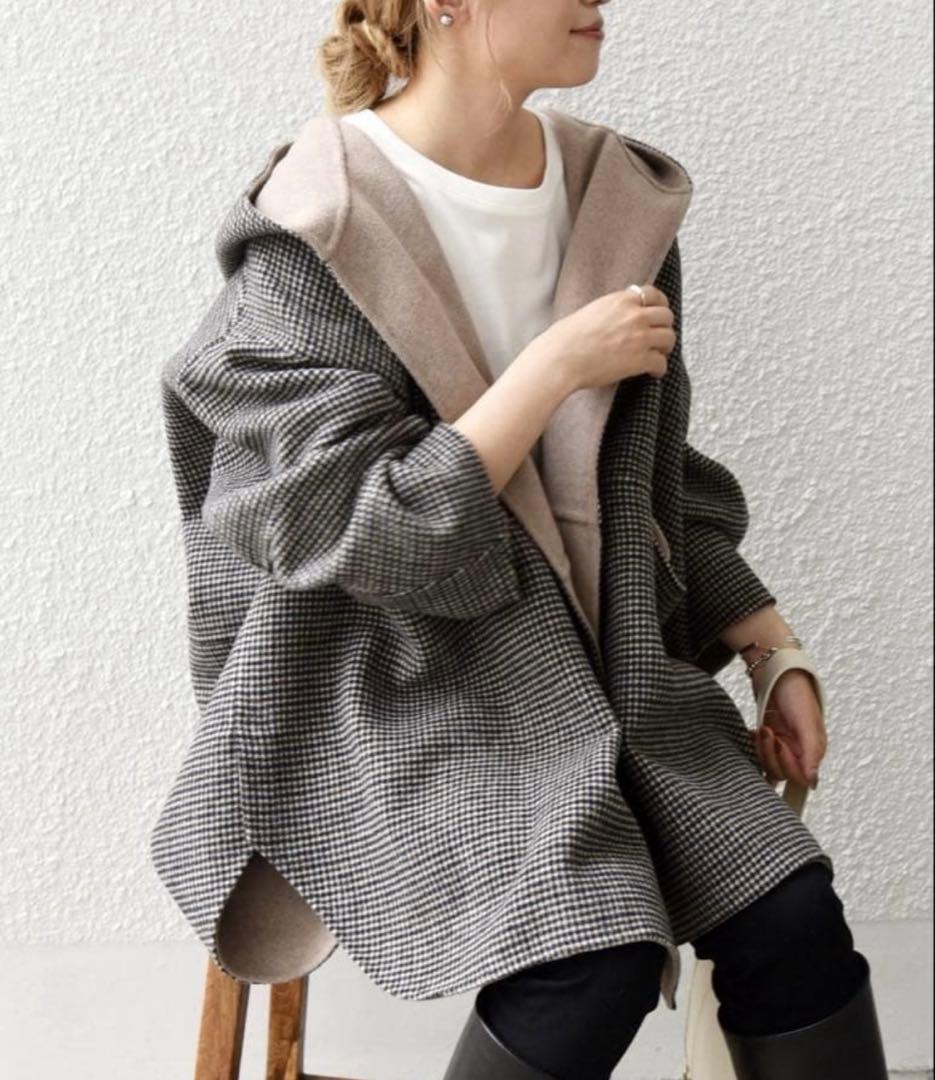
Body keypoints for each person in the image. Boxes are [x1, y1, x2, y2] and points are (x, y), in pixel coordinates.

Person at [151, 2, 889, 1078]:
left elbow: (652, 483)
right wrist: (550, 370)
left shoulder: (613, 199)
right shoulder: (316, 229)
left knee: (791, 919)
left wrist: (771, 645)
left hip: (616, 678)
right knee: (590, 958)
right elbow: (369, 534)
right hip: (402, 688)